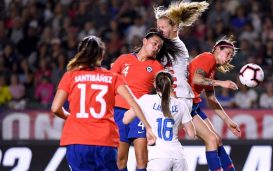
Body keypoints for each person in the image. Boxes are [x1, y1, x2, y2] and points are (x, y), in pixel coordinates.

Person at [51, 36, 156, 171]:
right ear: (102, 54)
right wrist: (148, 127)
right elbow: (134, 103)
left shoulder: (71, 76)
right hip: (104, 140)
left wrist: (70, 117)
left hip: (77, 140)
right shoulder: (112, 78)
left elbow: (55, 108)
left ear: (80, 53)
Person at [111, 30, 181, 171]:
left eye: (159, 47)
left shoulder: (157, 67)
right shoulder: (123, 59)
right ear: (144, 41)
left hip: (141, 114)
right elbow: (109, 82)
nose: (156, 48)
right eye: (154, 43)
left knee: (142, 160)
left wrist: (178, 107)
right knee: (120, 159)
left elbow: (167, 90)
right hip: (119, 112)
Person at [123, 71, 196, 171]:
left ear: (154, 84)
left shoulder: (146, 100)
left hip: (158, 157)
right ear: (172, 85)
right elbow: (192, 134)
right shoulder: (181, 104)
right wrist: (176, 124)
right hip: (179, 157)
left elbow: (126, 119)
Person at [188, 36, 242, 171]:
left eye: (231, 56)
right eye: (228, 53)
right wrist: (222, 83)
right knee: (212, 139)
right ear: (217, 49)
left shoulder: (211, 68)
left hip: (193, 106)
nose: (229, 58)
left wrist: (228, 121)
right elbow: (197, 79)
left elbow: (211, 99)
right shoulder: (208, 58)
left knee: (216, 139)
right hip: (185, 106)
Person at [155, 1, 209, 112]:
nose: (159, 31)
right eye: (158, 28)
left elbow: (152, 60)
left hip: (179, 97)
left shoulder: (176, 46)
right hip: (175, 96)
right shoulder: (168, 43)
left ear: (175, 27)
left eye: (163, 27)